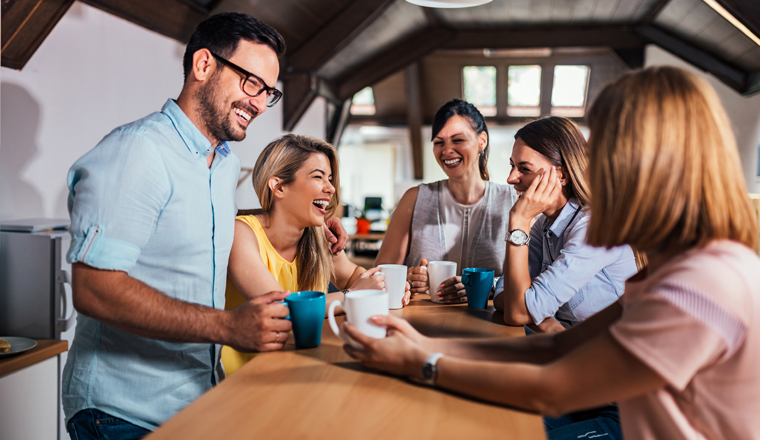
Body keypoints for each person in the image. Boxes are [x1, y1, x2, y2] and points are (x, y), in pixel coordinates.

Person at [342, 66, 760, 440]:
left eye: (608, 155)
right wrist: (425, 346)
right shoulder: (671, 268)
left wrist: (422, 363)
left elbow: (554, 385)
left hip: (610, 412)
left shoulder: (704, 281)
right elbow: (553, 348)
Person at [63, 13, 348, 439]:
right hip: (120, 412)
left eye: (268, 92)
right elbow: (93, 289)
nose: (258, 102)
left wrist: (312, 221)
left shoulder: (223, 162)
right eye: (252, 83)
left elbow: (199, 228)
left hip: (196, 399)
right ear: (203, 65)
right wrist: (226, 327)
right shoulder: (138, 152)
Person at [223, 134, 407, 374]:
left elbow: (354, 276)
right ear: (278, 187)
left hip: (300, 364)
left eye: (329, 179)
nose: (330, 188)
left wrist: (385, 286)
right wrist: (353, 296)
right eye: (318, 177)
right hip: (246, 377)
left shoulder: (317, 235)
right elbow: (281, 309)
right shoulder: (241, 233)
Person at [494, 117, 637, 334]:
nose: (511, 178)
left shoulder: (596, 228)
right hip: (575, 341)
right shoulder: (544, 224)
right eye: (513, 166)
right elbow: (504, 295)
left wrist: (519, 222)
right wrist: (546, 322)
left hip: (610, 350)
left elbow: (517, 313)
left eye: (524, 168)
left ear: (563, 175)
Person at [375, 99, 515, 303]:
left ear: (482, 141)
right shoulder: (414, 198)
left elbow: (532, 277)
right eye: (439, 142)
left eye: (458, 140)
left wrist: (488, 286)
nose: (447, 150)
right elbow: (378, 275)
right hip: (420, 327)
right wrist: (406, 279)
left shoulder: (511, 201)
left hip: (490, 326)